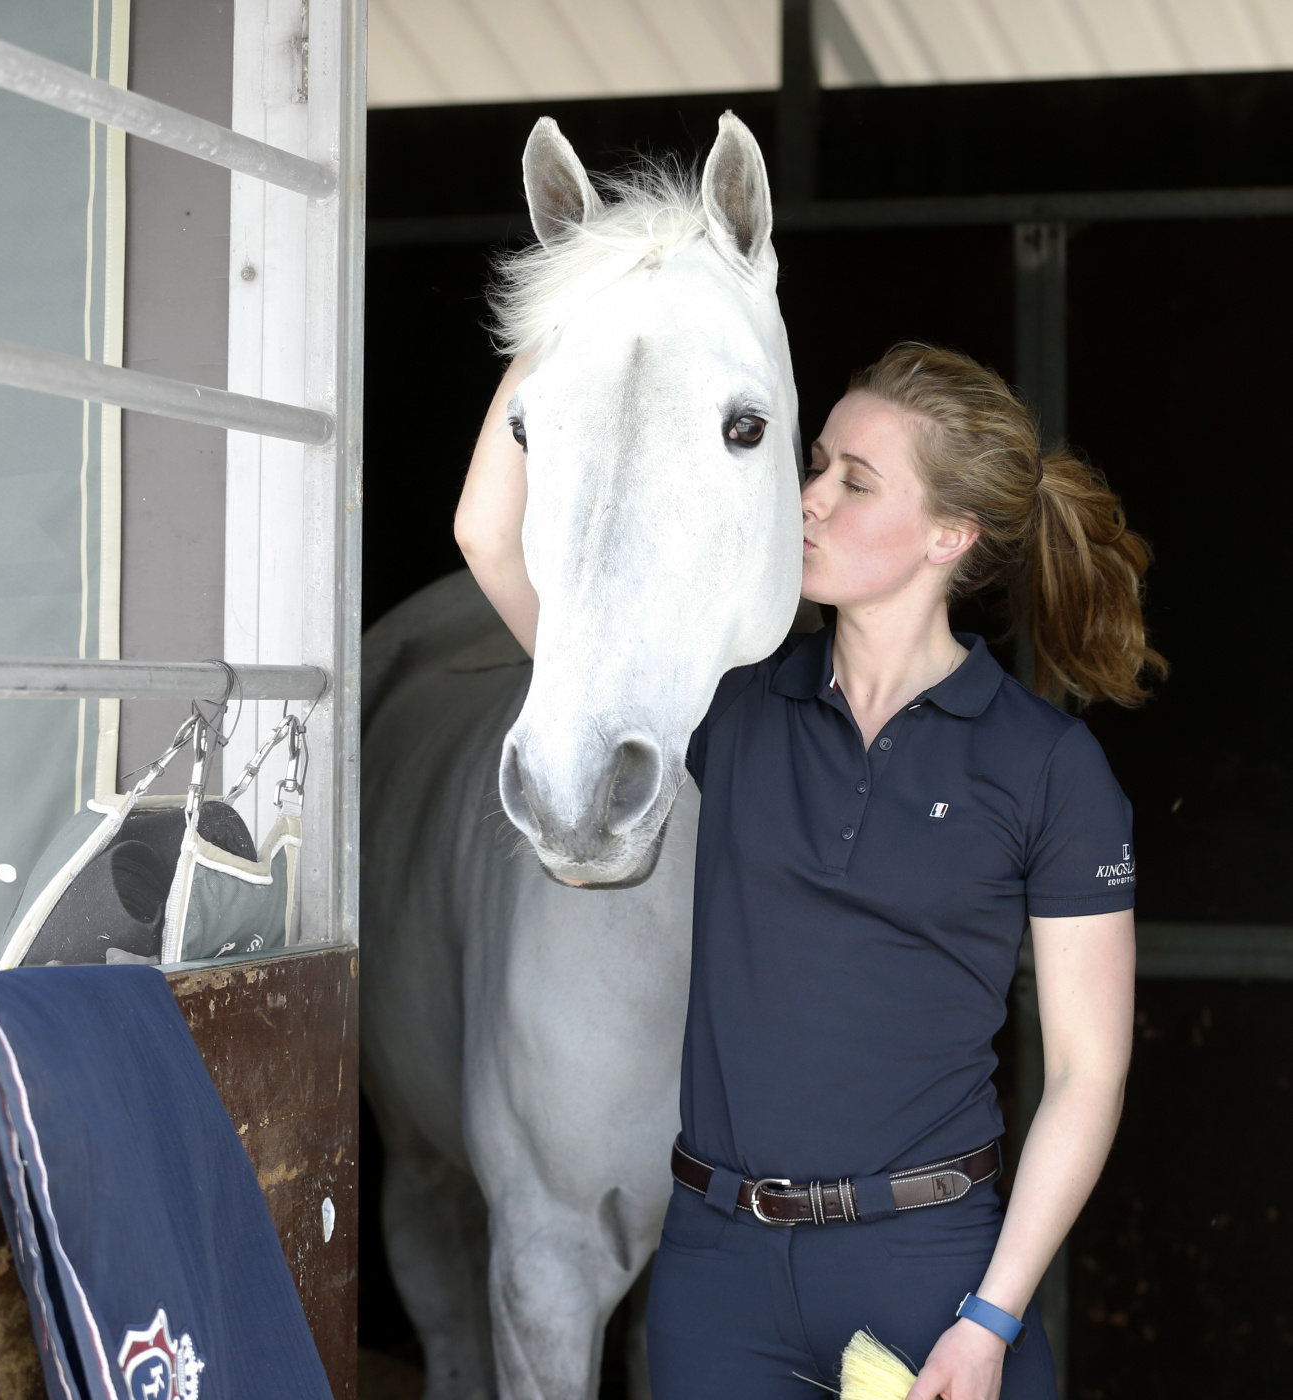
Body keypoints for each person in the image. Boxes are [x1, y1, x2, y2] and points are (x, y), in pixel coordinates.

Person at [456, 340, 1164, 1400]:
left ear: (947, 535)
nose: (808, 499)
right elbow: (488, 539)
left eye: (853, 481)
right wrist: (559, 332)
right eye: (815, 463)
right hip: (716, 1274)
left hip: (926, 1270)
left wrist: (991, 1316)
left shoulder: (1046, 768)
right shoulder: (731, 704)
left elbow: (1085, 1073)